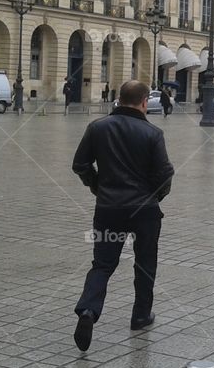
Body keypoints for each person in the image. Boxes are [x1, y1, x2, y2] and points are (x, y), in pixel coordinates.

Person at [72, 80, 174, 352]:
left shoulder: (97, 128)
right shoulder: (153, 133)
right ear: (144, 102)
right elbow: (165, 173)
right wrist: (155, 196)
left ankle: (88, 311)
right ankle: (140, 315)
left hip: (108, 208)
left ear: (118, 99)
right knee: (145, 263)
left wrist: (96, 185)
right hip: (145, 212)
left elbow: (79, 164)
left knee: (103, 264)